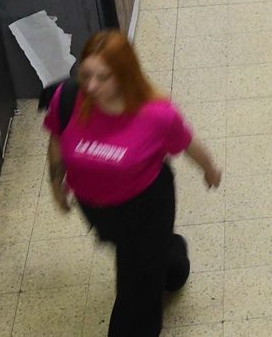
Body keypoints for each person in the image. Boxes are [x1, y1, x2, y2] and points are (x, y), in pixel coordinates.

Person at [46, 31, 222, 337]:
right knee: (151, 261)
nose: (91, 86)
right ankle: (172, 259)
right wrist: (56, 184)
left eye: (103, 77)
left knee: (136, 290)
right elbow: (57, 140)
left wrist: (210, 169)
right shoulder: (69, 97)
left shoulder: (156, 114)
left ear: (125, 75)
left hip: (147, 207)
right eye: (86, 74)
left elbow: (188, 143)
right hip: (98, 209)